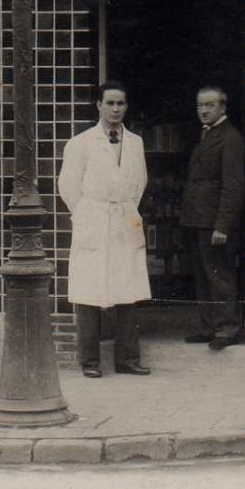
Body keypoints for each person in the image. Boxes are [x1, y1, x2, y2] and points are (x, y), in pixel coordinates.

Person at [58, 81, 152, 378]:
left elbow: (139, 183)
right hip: (93, 218)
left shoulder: (136, 142)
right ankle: (90, 361)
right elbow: (68, 186)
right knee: (89, 291)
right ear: (98, 105)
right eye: (109, 103)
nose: (115, 109)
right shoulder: (81, 142)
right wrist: (86, 213)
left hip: (124, 217)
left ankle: (127, 359)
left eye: (120, 104)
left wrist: (124, 208)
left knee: (128, 289)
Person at [178, 85, 245, 350]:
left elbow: (233, 186)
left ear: (223, 107)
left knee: (220, 276)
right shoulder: (206, 136)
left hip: (214, 223)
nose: (204, 110)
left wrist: (223, 226)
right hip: (197, 220)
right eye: (200, 105)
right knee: (203, 276)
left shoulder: (230, 138)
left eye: (209, 105)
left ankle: (228, 329)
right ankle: (208, 327)